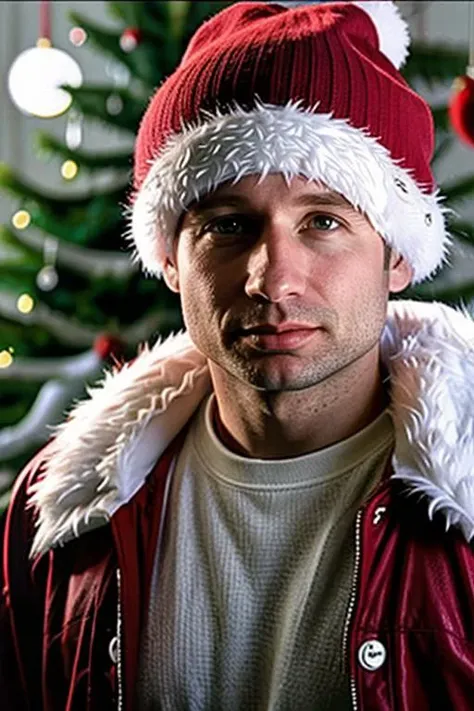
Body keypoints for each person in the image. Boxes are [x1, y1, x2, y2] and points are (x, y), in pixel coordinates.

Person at [2, 1, 474, 709]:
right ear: (168, 258)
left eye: (323, 220)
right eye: (227, 224)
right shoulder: (62, 511)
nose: (272, 276)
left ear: (398, 253)